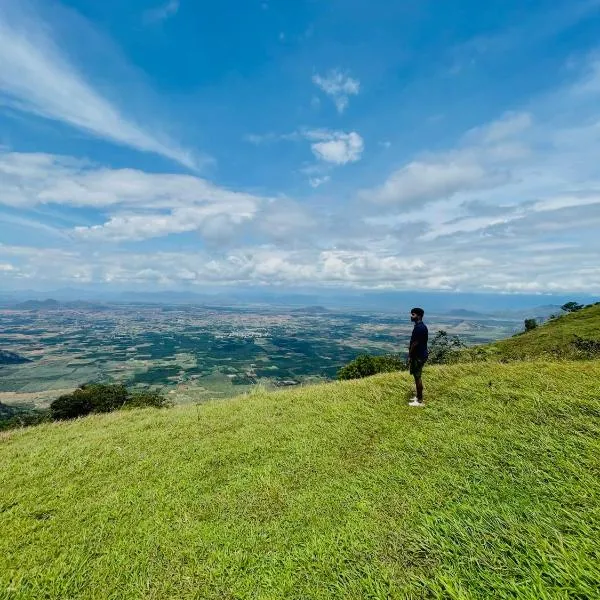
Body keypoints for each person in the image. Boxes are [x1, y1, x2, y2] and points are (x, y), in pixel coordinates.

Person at [408, 307, 428, 407]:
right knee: (417, 376)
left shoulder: (419, 328)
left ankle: (419, 400)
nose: (411, 316)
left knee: (417, 377)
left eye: (413, 314)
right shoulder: (420, 326)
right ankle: (418, 396)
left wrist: (410, 354)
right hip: (420, 355)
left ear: (419, 316)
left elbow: (415, 343)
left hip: (418, 356)